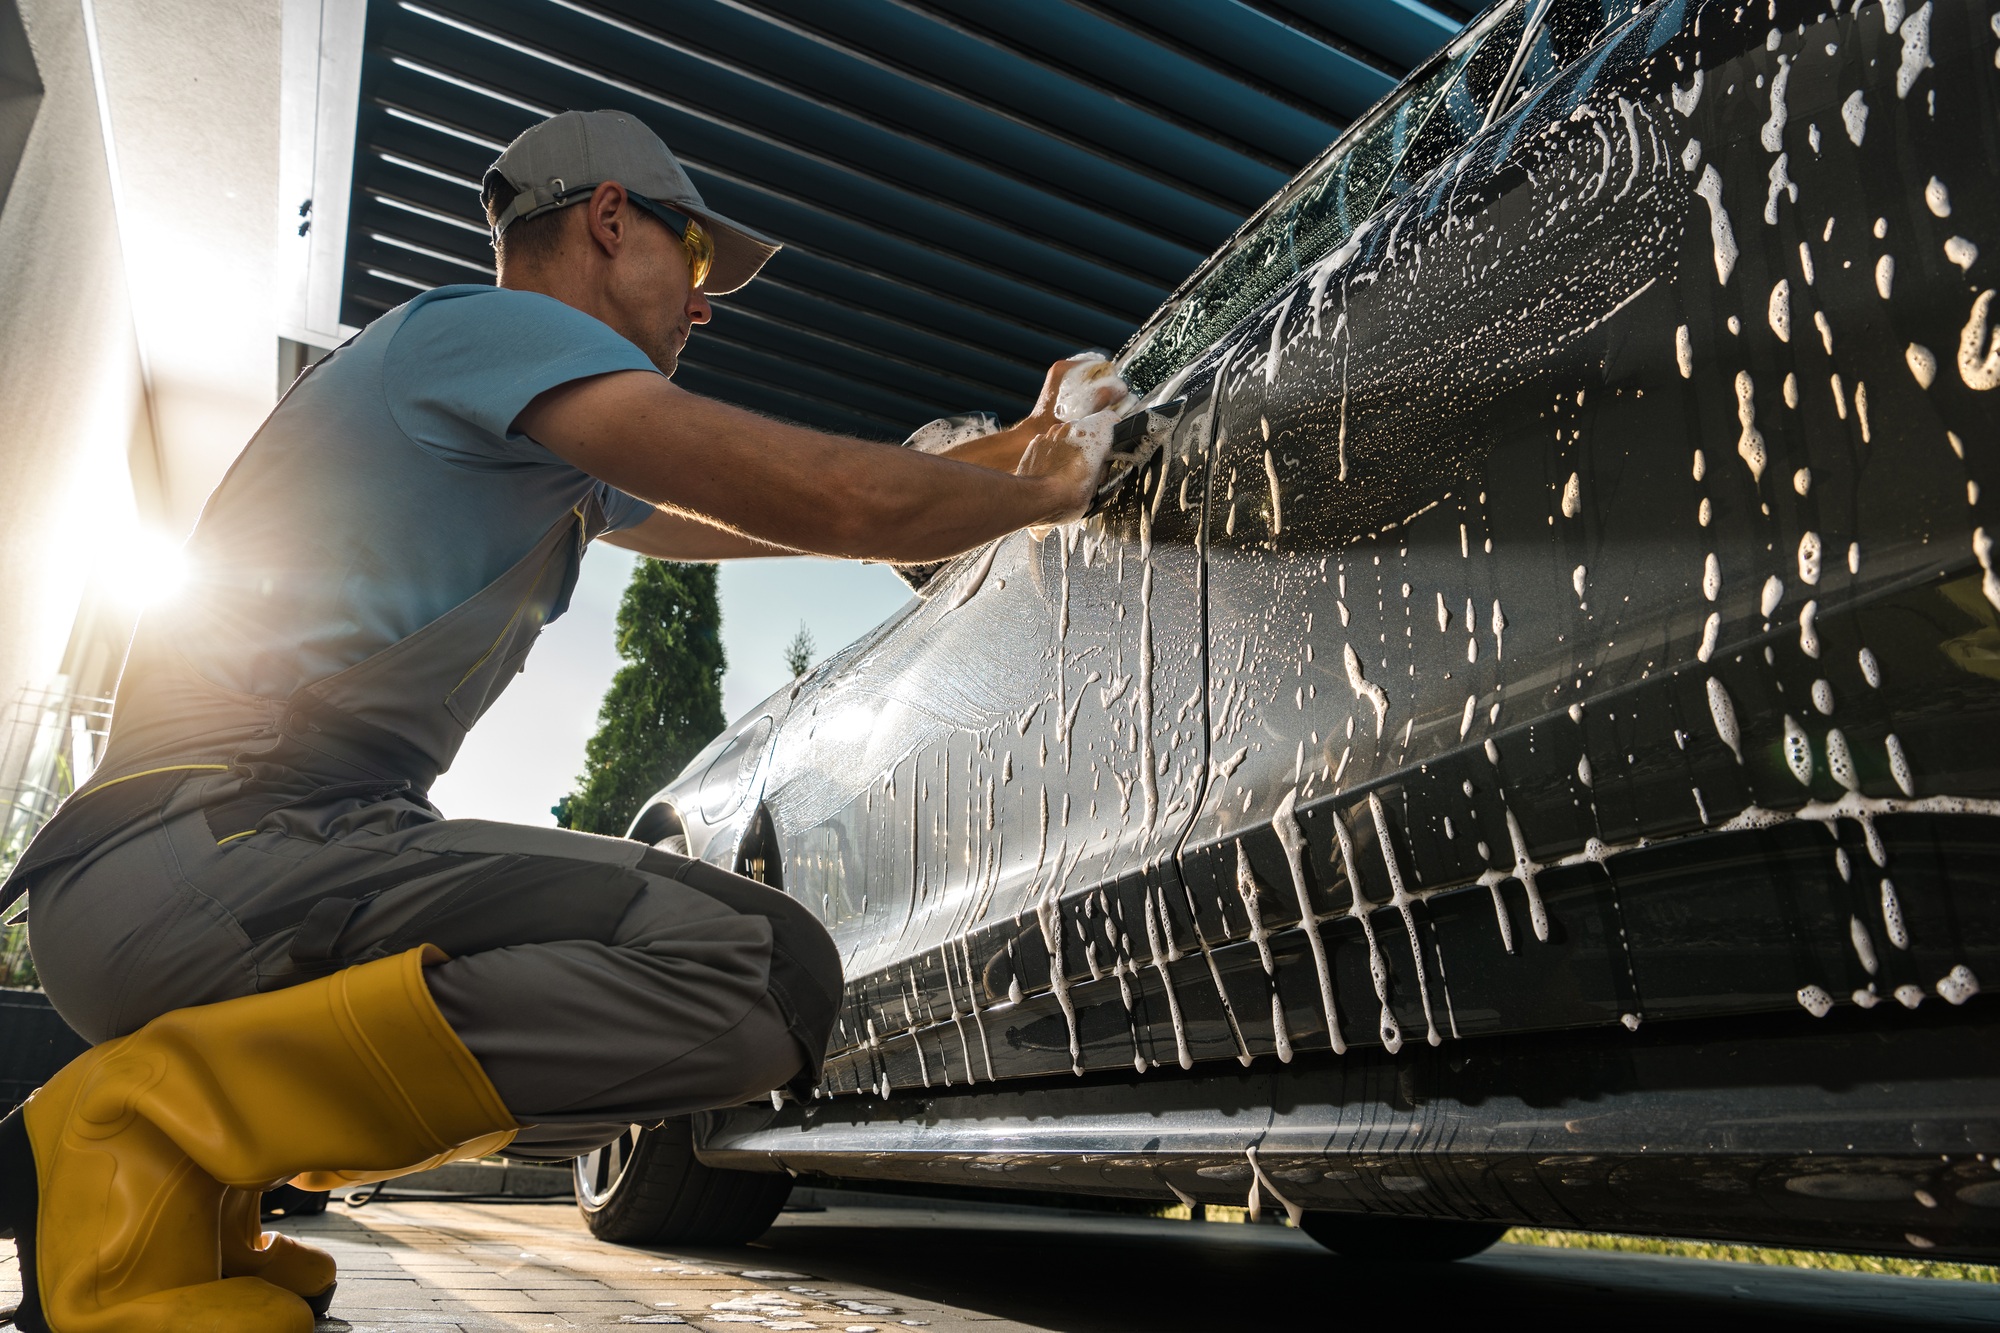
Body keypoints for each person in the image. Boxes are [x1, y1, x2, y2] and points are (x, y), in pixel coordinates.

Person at [0, 108, 1129, 1333]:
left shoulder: (536, 434)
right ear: (605, 218)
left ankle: (170, 1213)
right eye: (692, 263)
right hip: (216, 858)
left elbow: (774, 520)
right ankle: (140, 1119)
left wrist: (1021, 447)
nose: (702, 307)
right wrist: (1059, 483)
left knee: (692, 984)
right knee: (753, 968)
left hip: (190, 877)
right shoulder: (481, 334)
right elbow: (831, 497)